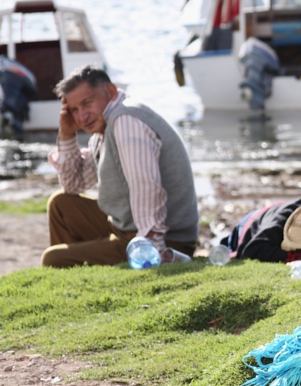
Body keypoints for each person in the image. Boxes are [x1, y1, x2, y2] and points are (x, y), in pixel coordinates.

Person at [42, 66, 199, 268]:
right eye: (74, 110)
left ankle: (79, 275)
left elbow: (146, 187)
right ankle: (83, 277)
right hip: (127, 228)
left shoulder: (126, 121)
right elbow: (73, 186)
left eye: (86, 103)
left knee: (53, 259)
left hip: (165, 240)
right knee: (61, 205)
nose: (81, 117)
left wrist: (152, 250)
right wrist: (66, 136)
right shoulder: (105, 127)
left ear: (111, 92)